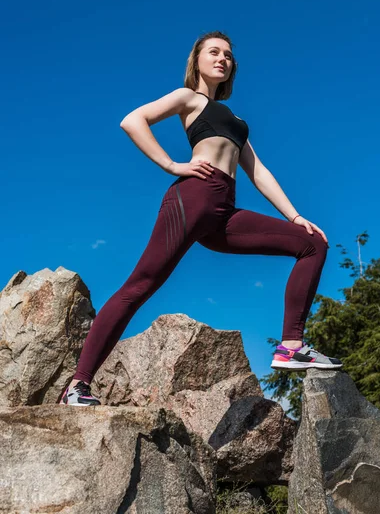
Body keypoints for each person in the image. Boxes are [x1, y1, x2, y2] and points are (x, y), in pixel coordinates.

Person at [60, 30, 342, 406]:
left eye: (228, 55)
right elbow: (133, 120)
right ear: (197, 60)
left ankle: (292, 346)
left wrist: (295, 216)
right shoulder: (188, 98)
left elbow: (257, 171)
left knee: (312, 244)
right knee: (140, 286)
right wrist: (171, 163)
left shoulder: (236, 120)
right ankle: (77, 386)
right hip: (192, 198)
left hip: (223, 212)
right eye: (214, 52)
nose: (223, 58)